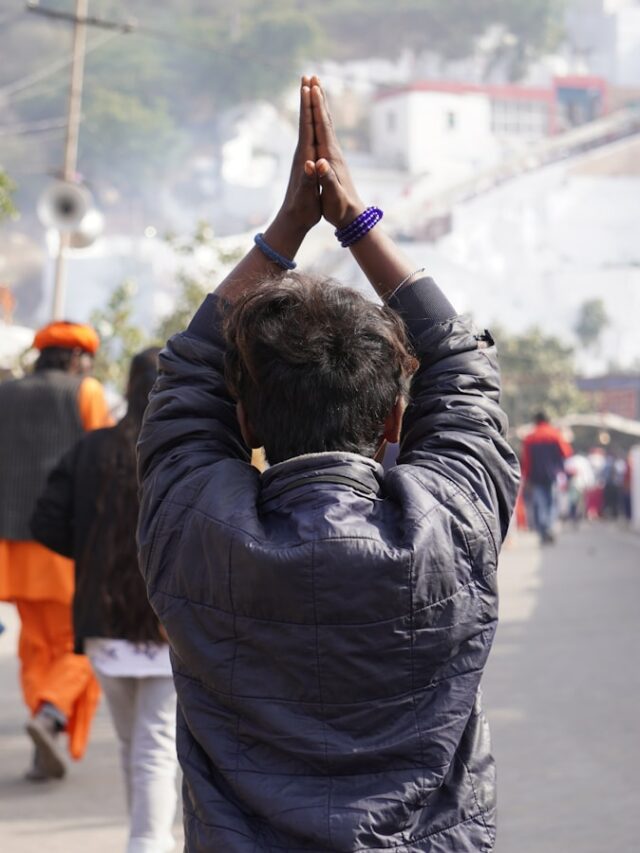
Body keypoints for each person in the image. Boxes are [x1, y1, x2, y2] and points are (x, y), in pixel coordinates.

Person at [137, 77, 520, 852]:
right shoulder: (452, 522)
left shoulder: (193, 526)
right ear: (392, 421)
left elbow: (182, 376)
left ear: (242, 419)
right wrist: (355, 220)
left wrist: (286, 231)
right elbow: (464, 367)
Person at [31, 348, 178, 852]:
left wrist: (89, 555)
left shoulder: (91, 450)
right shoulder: (189, 452)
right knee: (157, 747)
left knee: (134, 744)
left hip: (104, 626)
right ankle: (148, 842)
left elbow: (45, 521)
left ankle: (143, 840)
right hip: (167, 625)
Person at [0, 321, 112, 780]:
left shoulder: (4, 394)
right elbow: (103, 463)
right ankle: (51, 714)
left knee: (35, 644)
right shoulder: (86, 393)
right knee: (83, 641)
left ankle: (41, 738)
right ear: (76, 359)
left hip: (11, 546)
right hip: (65, 546)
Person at [521, 411, 572, 544]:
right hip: (552, 475)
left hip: (535, 476)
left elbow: (526, 460)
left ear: (536, 421)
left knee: (540, 503)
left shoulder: (530, 438)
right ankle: (549, 527)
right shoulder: (555, 435)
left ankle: (543, 530)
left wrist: (526, 478)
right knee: (551, 503)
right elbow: (566, 452)